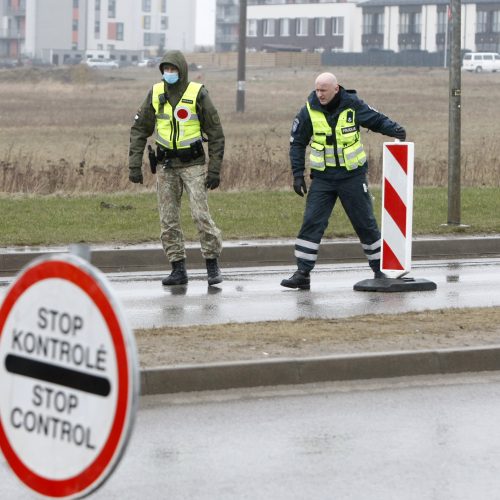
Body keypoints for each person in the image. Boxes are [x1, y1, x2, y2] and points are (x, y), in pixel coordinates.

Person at [281, 72, 406, 290]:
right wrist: (298, 174)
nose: (319, 94)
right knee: (311, 223)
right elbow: (297, 143)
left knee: (365, 224)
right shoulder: (308, 110)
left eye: (324, 90)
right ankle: (302, 273)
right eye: (317, 90)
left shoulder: (352, 105)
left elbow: (375, 119)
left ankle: (380, 270)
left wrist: (394, 129)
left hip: (352, 177)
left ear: (336, 89)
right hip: (323, 179)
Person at [129, 50, 225, 286]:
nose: (169, 73)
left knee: (200, 215)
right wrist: (134, 165)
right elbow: (140, 129)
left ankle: (212, 265)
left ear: (181, 70)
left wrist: (214, 170)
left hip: (193, 165)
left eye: (173, 69)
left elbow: (215, 133)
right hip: (165, 165)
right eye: (166, 70)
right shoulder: (155, 93)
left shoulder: (197, 94)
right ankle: (177, 269)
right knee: (168, 219)